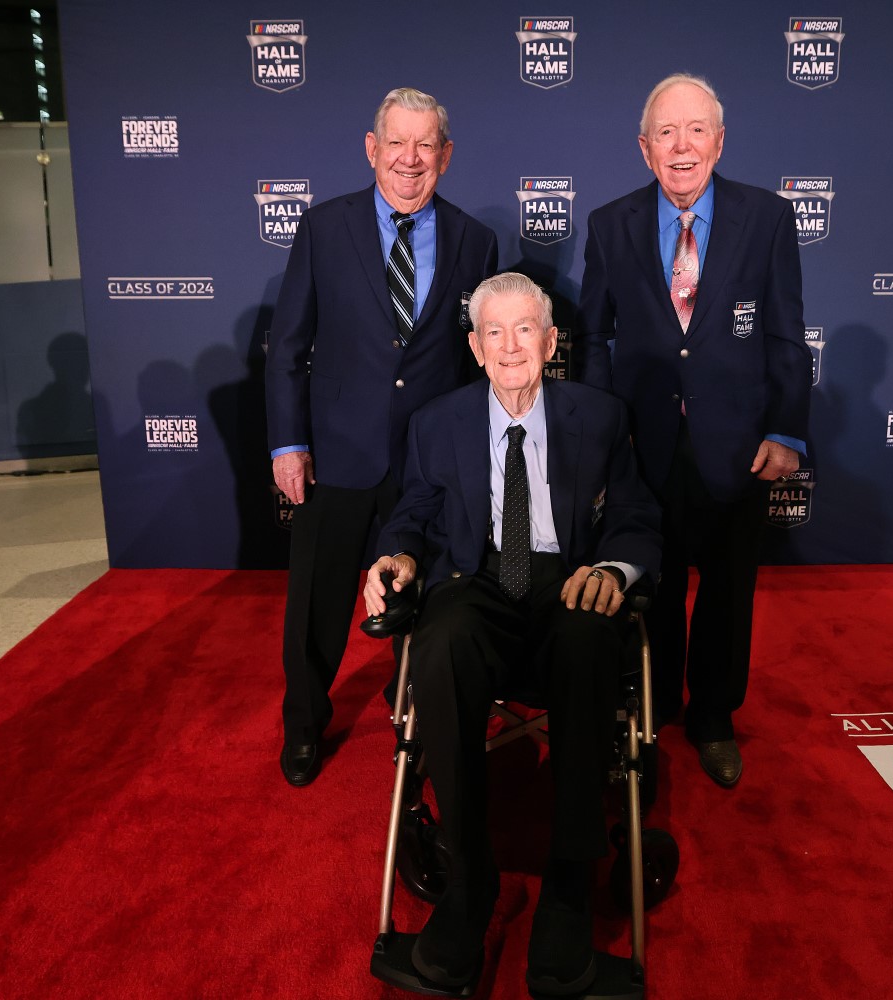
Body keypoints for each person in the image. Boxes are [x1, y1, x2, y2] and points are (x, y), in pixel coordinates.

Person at [363, 273, 662, 995]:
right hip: (481, 583)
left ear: (551, 341)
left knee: (592, 634)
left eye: (525, 329)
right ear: (474, 346)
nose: (509, 346)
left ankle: (568, 884)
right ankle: (469, 881)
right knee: (440, 638)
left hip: (570, 581)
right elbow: (412, 514)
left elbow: (634, 516)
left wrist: (616, 572)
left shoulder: (601, 415)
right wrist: (397, 556)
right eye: (493, 332)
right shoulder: (437, 423)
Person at [574, 73, 811, 788]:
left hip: (737, 445)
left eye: (696, 130)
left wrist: (788, 432)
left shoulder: (766, 218)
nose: (683, 147)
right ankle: (655, 704)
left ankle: (713, 717)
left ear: (719, 140)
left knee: (727, 589)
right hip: (644, 446)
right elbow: (592, 337)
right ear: (645, 149)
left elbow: (787, 336)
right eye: (667, 134)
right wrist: (599, 439)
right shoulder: (610, 223)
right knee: (656, 580)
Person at [265, 88, 498, 787]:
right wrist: (287, 444)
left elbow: (474, 357)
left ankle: (419, 721)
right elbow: (288, 347)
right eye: (397, 143)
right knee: (317, 604)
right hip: (335, 455)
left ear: (446, 157)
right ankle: (304, 724)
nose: (410, 158)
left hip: (426, 466)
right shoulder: (322, 227)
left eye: (425, 145)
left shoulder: (475, 241)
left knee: (425, 601)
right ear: (372, 149)